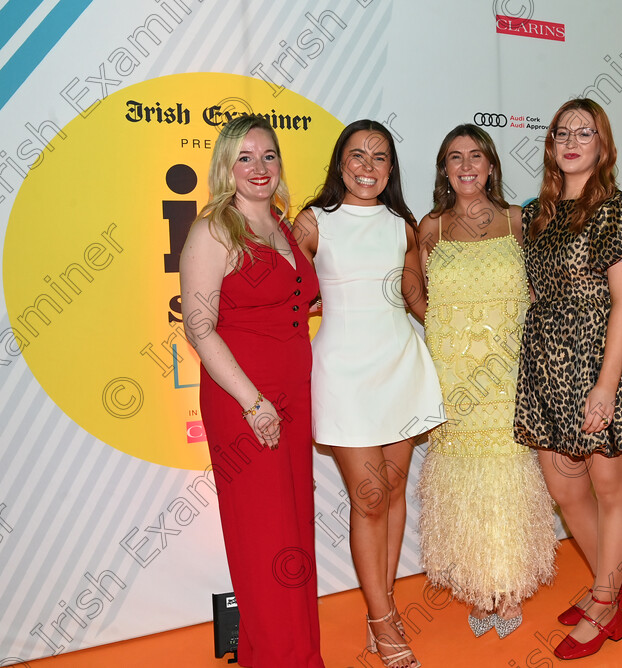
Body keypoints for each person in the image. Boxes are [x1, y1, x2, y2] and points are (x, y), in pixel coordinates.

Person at [513, 98, 622, 660]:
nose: (572, 141)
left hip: (606, 359)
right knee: (565, 487)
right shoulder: (540, 214)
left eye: (586, 132)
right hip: (550, 361)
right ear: (551, 145)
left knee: (609, 488)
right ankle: (610, 582)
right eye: (562, 133)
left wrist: (605, 387)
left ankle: (605, 603)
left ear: (604, 145)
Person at [295, 120, 444, 668]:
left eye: (379, 158)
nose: (366, 166)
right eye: (356, 155)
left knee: (395, 491)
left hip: (399, 366)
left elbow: (414, 297)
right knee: (370, 497)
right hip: (344, 375)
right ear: (340, 163)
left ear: (391, 169)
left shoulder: (402, 224)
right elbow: (286, 284)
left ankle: (383, 606)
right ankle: (383, 621)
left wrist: (468, 339)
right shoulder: (314, 222)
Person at [179, 115, 324, 667]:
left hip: (293, 393)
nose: (259, 168)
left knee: (293, 535)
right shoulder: (213, 229)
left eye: (268, 156)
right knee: (265, 539)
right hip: (245, 400)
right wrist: (254, 402)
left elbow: (294, 302)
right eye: (245, 157)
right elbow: (200, 327)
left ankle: (292, 653)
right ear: (225, 166)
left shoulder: (283, 227)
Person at [416, 124, 556, 640]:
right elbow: (413, 289)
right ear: (445, 170)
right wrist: (440, 334)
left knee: (509, 472)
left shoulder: (520, 220)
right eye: (455, 158)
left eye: (476, 155)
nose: (467, 165)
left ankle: (508, 585)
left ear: (492, 165)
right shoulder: (430, 226)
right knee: (463, 476)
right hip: (455, 373)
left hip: (512, 368)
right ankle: (479, 586)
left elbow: (544, 288)